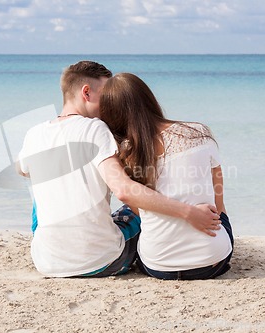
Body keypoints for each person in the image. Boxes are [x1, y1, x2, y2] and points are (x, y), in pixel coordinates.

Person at [17, 61, 222, 278]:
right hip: (103, 261)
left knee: (42, 190)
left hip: (46, 263)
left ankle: (57, 245)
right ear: (86, 92)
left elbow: (23, 170)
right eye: (106, 96)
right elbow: (123, 190)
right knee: (134, 209)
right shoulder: (95, 128)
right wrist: (187, 212)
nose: (110, 106)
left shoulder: (34, 133)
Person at [99, 72, 234, 280]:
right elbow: (218, 187)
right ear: (149, 99)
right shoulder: (198, 132)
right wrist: (216, 217)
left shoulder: (125, 152)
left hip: (159, 266)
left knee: (133, 212)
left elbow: (140, 208)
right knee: (219, 215)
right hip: (211, 262)